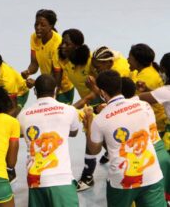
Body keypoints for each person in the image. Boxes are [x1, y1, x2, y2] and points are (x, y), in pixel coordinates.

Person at [83, 70, 166, 207]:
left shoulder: (101, 119)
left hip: (123, 180)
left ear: (102, 93)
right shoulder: (144, 106)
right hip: (151, 173)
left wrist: (89, 124)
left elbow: (94, 150)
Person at [18, 74, 79, 207]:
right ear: (56, 90)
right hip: (61, 179)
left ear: (35, 91)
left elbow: (22, 134)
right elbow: (74, 132)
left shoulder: (22, 116)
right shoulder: (69, 110)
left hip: (35, 180)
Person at [58, 28, 99, 191]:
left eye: (67, 43)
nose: (62, 46)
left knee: (92, 137)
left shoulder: (89, 62)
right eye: (62, 42)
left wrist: (74, 106)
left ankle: (88, 177)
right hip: (88, 103)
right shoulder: (65, 61)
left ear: (77, 46)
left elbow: (97, 90)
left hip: (101, 101)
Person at [121, 77, 170, 203]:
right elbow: (156, 96)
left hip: (145, 165)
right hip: (162, 154)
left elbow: (142, 97)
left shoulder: (164, 92)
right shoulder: (147, 107)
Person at [21, 9, 74, 104]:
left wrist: (37, 83)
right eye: (36, 24)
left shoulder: (58, 43)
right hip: (46, 86)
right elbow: (34, 63)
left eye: (43, 25)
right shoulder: (34, 37)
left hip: (62, 90)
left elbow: (56, 77)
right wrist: (28, 71)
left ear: (51, 26)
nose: (38, 27)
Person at [128, 44, 167, 142]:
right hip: (155, 123)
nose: (127, 60)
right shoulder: (145, 71)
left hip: (156, 126)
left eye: (130, 58)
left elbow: (133, 101)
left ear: (137, 61)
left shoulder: (146, 77)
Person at [139, 52, 170, 153]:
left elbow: (137, 99)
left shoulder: (166, 91)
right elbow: (158, 95)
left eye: (161, 69)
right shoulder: (164, 92)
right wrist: (148, 89)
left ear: (165, 70)